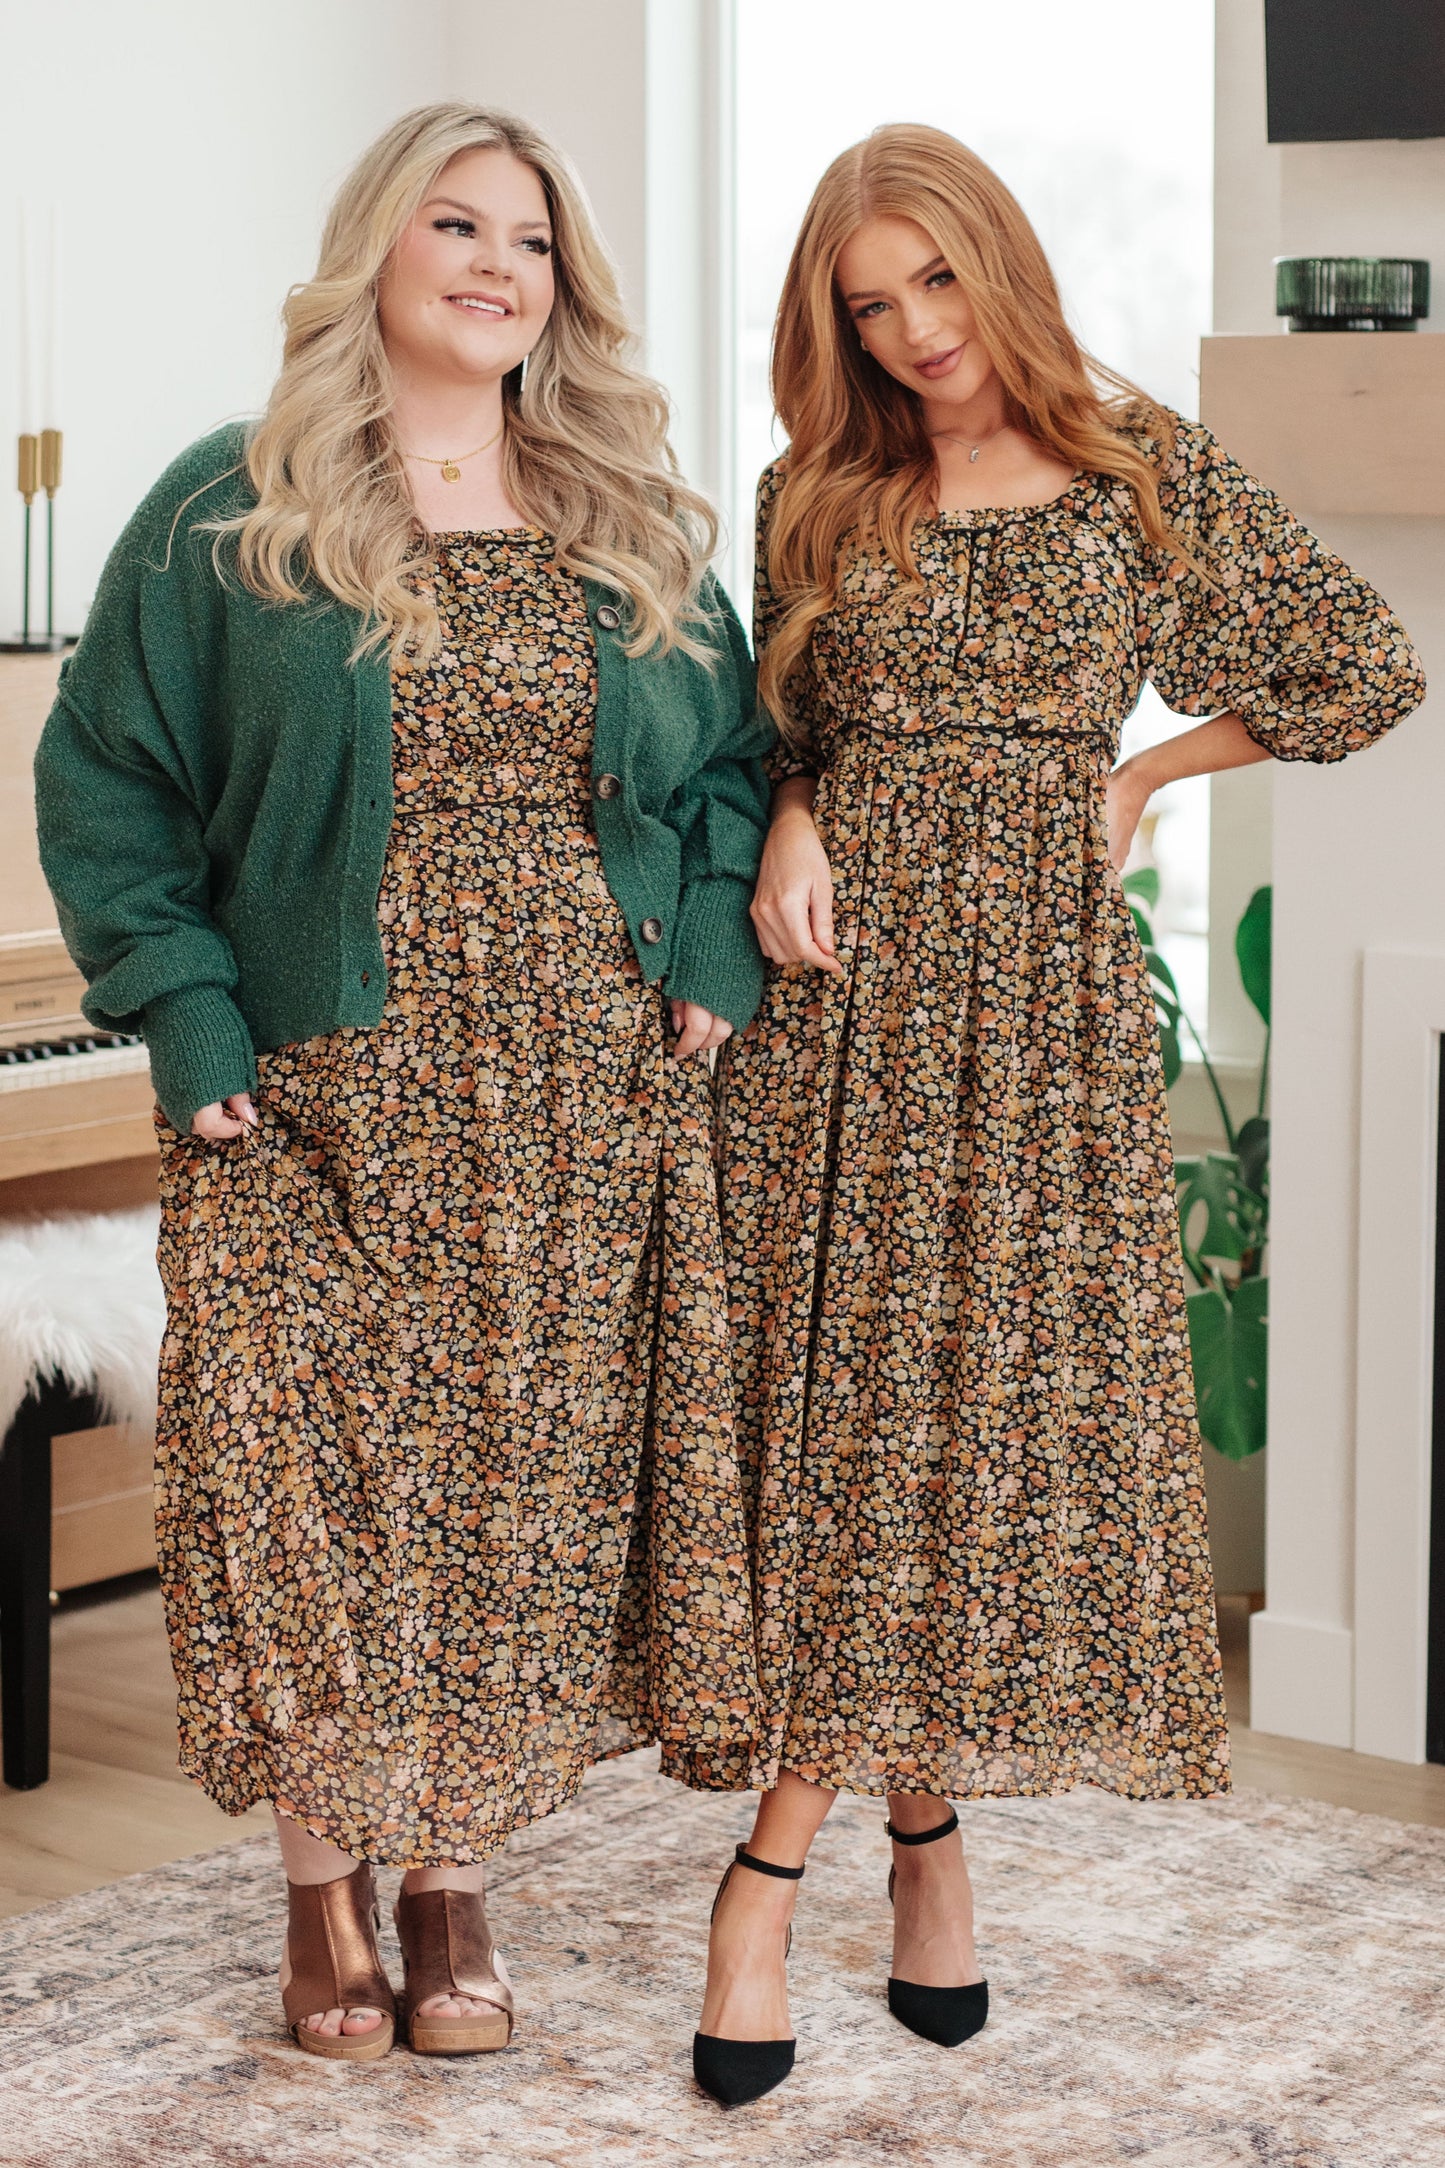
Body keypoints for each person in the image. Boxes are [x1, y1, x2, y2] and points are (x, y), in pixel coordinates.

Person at [686, 122, 1425, 2108]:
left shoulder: (1134, 466)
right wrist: (790, 814)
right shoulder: (815, 491)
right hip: (838, 1011)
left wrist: (1146, 773)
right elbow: (771, 735)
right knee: (847, 1432)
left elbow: (1364, 668)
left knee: (957, 1425)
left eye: (936, 278)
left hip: (1037, 1018)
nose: (915, 331)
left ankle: (797, 1869)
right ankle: (879, 1851)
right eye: (870, 304)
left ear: (997, 258)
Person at [36, 102, 771, 2063]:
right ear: (377, 244)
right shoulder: (236, 503)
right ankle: (317, 1889)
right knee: (295, 1486)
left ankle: (446, 1883)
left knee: (499, 1502)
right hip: (309, 1085)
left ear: (563, 288)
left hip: (573, 1091)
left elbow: (730, 769)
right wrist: (185, 1010)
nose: (494, 266)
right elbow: (104, 779)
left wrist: (707, 948)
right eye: (456, 224)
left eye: (530, 240)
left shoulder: (625, 514)